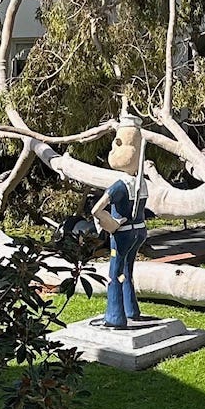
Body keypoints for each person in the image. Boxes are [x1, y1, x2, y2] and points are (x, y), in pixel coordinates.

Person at [90, 117, 153, 329]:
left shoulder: (119, 185)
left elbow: (96, 209)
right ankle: (131, 310)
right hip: (140, 232)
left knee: (114, 274)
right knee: (128, 271)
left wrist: (110, 223)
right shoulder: (142, 183)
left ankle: (115, 316)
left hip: (122, 233)